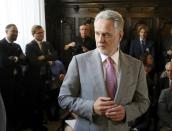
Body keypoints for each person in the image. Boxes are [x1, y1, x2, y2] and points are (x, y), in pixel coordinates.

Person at [58, 10, 150, 131]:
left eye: (106, 34)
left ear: (120, 35)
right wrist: (91, 107)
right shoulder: (78, 61)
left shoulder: (136, 66)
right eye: (97, 33)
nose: (100, 39)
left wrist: (126, 112)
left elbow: (143, 102)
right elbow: (64, 98)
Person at [25, 25, 57, 131]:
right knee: (35, 102)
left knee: (45, 99)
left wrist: (43, 57)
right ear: (33, 34)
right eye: (39, 33)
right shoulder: (29, 46)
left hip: (46, 76)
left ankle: (45, 120)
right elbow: (34, 62)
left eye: (42, 32)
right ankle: (36, 125)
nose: (41, 34)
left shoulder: (47, 44)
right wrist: (47, 58)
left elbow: (55, 55)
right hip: (34, 78)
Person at [0, 24, 25, 130]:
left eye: (17, 31)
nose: (15, 33)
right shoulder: (1, 44)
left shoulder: (17, 46)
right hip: (5, 81)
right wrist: (16, 58)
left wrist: (14, 59)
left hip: (17, 80)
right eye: (13, 31)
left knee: (17, 104)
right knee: (8, 105)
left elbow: (24, 59)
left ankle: (17, 126)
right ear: (6, 31)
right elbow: (3, 62)